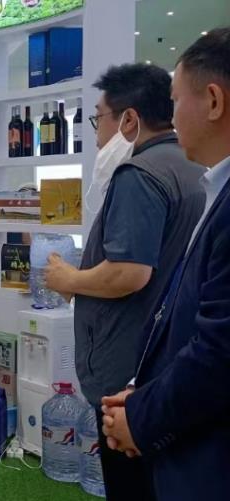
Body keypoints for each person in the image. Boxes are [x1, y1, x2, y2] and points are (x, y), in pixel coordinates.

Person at [43, 63, 206, 500]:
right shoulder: (194, 168)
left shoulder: (140, 174)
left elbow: (129, 272)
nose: (97, 136)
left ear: (129, 120)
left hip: (129, 370)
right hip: (170, 364)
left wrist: (70, 278)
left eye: (98, 119)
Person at [101, 28, 230, 501]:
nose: (172, 118)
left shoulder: (141, 173)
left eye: (176, 101)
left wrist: (141, 417)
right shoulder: (212, 185)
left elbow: (219, 353)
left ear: (213, 101)